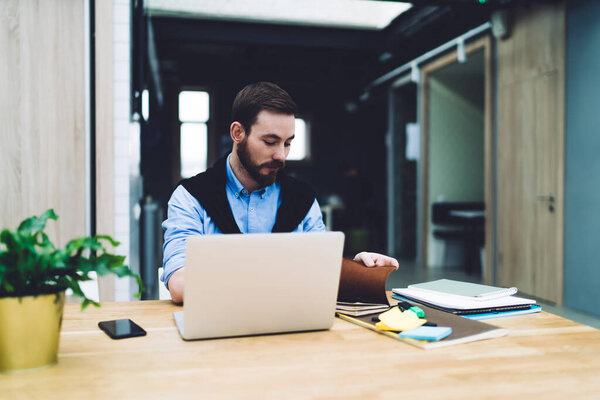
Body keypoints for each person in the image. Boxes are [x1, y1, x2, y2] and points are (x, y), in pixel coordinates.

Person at [162, 82, 398, 303]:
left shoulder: (303, 200)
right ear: (237, 133)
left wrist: (351, 272)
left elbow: (320, 271)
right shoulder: (190, 197)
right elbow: (180, 285)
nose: (281, 156)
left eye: (287, 143)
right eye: (270, 141)